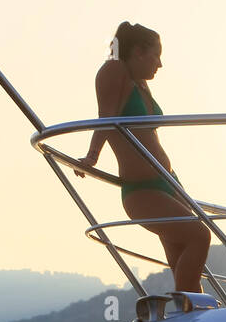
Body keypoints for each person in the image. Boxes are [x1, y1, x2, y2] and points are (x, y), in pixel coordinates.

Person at [74, 21, 211, 294]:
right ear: (137, 52)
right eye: (156, 55)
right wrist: (92, 155)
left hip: (168, 184)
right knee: (200, 236)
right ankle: (187, 309)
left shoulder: (139, 82)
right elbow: (107, 117)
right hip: (143, 190)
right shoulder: (114, 70)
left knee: (184, 256)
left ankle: (193, 316)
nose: (159, 64)